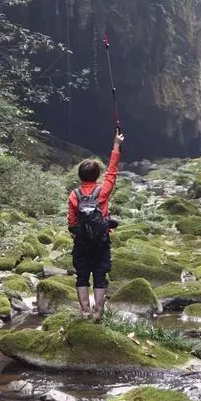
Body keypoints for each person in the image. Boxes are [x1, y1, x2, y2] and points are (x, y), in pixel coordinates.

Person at [68, 130, 124, 319]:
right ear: (97, 175)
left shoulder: (74, 195)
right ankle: (98, 313)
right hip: (101, 241)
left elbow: (72, 222)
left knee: (82, 276)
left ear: (80, 176)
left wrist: (76, 234)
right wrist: (116, 146)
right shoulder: (103, 191)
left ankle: (85, 312)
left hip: (81, 242)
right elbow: (112, 172)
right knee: (100, 276)